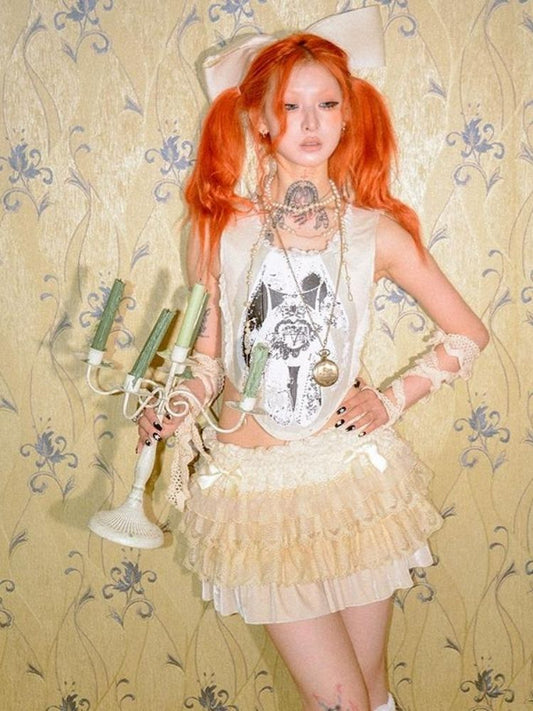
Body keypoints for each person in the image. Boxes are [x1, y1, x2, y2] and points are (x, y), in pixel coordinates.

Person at [136, 21, 489, 711]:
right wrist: (177, 405)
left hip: (351, 481)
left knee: (370, 693)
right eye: (290, 105)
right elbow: (208, 360)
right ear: (259, 119)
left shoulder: (374, 231)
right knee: (342, 701)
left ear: (348, 113)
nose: (309, 122)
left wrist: (393, 398)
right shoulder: (218, 228)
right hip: (255, 492)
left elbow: (466, 332)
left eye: (326, 104)